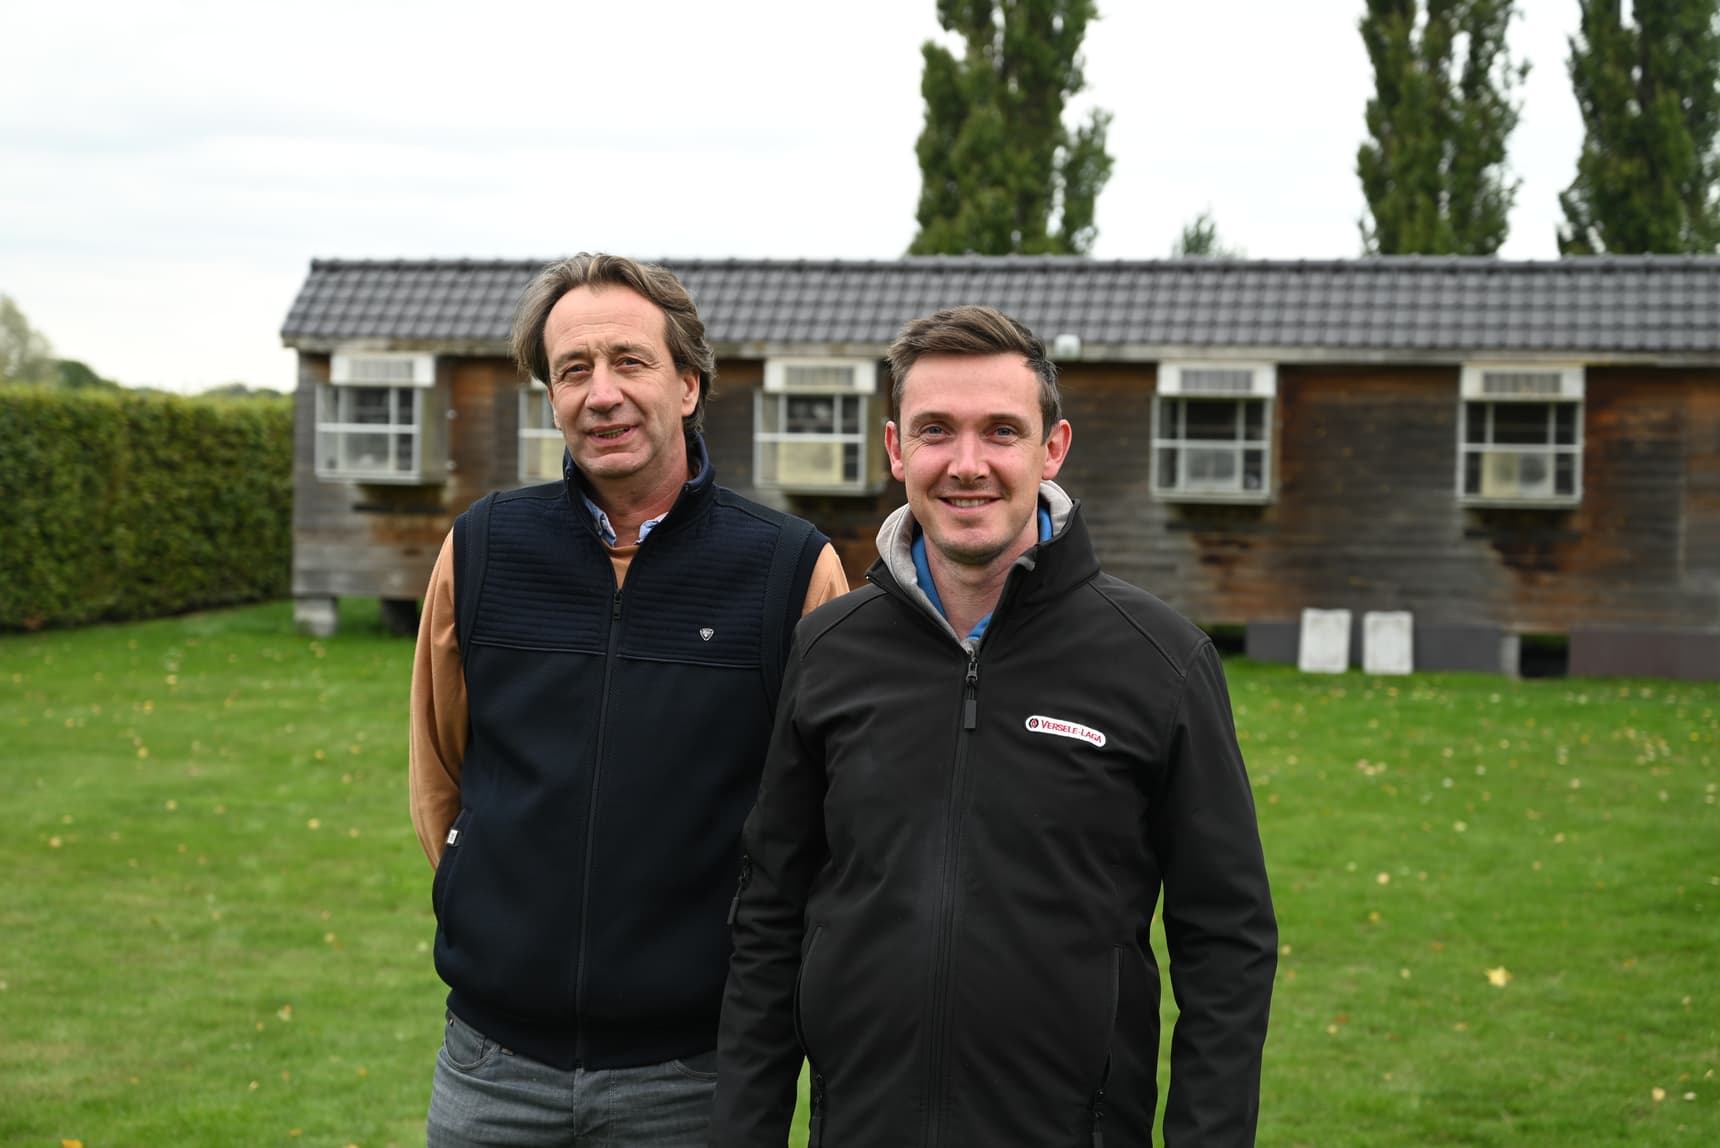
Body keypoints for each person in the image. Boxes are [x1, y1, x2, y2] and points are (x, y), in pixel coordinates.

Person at [713, 306, 1277, 1148]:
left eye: (1001, 431)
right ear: (896, 448)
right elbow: (770, 918)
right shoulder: (830, 650)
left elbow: (1226, 941)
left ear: (1052, 450)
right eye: (936, 430)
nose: (966, 465)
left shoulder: (1161, 661)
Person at [410, 253, 850, 1147]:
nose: (600, 393)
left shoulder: (792, 571)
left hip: (693, 1077)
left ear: (689, 385)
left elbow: (831, 816)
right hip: (492, 1070)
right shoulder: (483, 549)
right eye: (573, 370)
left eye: (630, 363)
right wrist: (474, 892)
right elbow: (441, 768)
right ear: (551, 394)